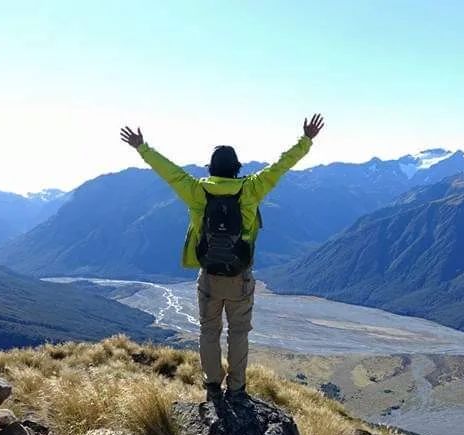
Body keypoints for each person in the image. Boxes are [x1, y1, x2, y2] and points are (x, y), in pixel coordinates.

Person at [121, 114, 324, 401]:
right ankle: (237, 388)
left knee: (209, 331)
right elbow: (281, 166)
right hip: (240, 275)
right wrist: (306, 140)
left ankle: (213, 386)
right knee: (239, 333)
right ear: (237, 168)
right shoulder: (252, 188)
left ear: (211, 168)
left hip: (209, 275)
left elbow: (170, 172)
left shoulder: (195, 190)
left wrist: (142, 148)